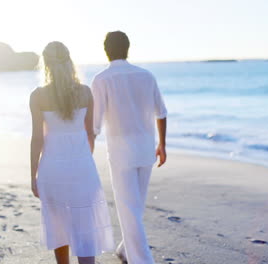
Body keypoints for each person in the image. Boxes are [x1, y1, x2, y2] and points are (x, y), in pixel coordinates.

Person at [30, 41, 114, 264]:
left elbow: (37, 139)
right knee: (84, 226)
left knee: (58, 227)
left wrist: (33, 175)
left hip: (52, 168)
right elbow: (90, 134)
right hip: (82, 167)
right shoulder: (85, 92)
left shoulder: (38, 96)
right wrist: (83, 160)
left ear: (46, 64)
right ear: (69, 61)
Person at [91, 31, 168, 264]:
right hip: (146, 150)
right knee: (135, 209)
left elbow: (94, 125)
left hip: (121, 153)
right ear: (128, 48)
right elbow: (162, 113)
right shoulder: (146, 75)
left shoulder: (101, 79)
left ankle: (143, 260)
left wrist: (86, 152)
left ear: (106, 50)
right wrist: (162, 145)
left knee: (129, 210)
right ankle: (125, 249)